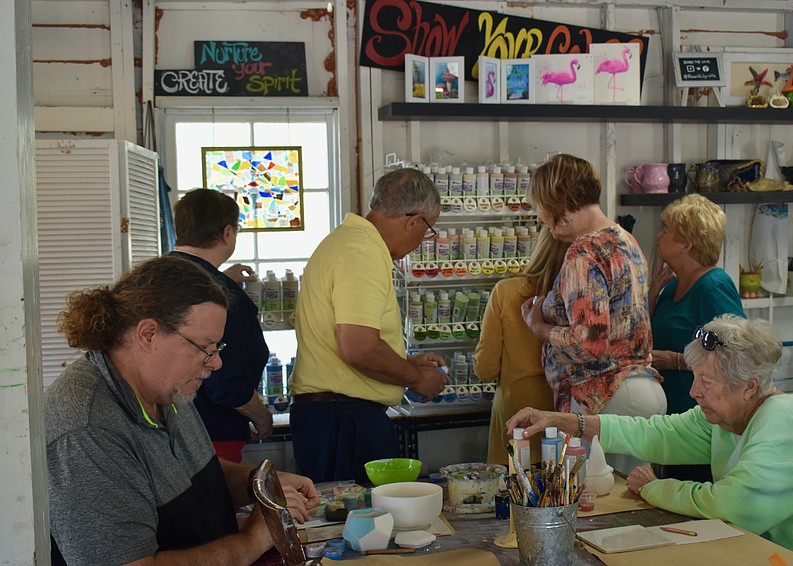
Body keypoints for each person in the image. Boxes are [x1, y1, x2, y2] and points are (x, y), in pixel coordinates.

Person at [46, 256, 319, 565]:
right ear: (148, 334)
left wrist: (258, 484)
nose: (216, 363)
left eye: (217, 348)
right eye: (205, 347)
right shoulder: (87, 430)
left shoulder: (165, 387)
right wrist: (254, 539)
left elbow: (196, 475)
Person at [507, 314, 793, 563]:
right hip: (752, 552)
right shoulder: (728, 417)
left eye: (707, 382)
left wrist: (655, 487)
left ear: (749, 387)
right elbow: (655, 433)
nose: (694, 391)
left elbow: (732, 506)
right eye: (696, 377)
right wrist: (567, 422)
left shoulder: (784, 425)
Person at [289, 168, 450, 484]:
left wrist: (404, 364)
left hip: (336, 415)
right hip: (344, 419)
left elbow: (346, 345)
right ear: (413, 221)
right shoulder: (362, 252)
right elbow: (359, 348)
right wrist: (417, 377)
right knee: (357, 512)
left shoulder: (347, 241)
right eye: (428, 230)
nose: (423, 240)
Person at [520, 154, 665, 458]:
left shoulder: (583, 253)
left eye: (540, 207)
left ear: (559, 199)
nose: (540, 219)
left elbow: (590, 344)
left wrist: (540, 328)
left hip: (604, 397)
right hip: (643, 389)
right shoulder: (625, 240)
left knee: (597, 489)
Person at [171, 188, 272, 463]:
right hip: (210, 436)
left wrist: (220, 276)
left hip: (165, 429)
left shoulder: (160, 275)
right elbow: (226, 379)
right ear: (227, 232)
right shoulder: (220, 296)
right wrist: (262, 416)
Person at [648, 194, 745, 481]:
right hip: (673, 419)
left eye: (666, 229)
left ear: (686, 243)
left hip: (702, 423)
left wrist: (676, 361)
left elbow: (738, 354)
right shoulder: (672, 286)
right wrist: (651, 295)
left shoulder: (713, 286)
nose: (659, 235)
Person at [474, 227, 566, 465]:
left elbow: (485, 369)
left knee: (514, 484)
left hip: (514, 418)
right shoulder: (575, 297)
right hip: (563, 418)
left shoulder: (506, 292)